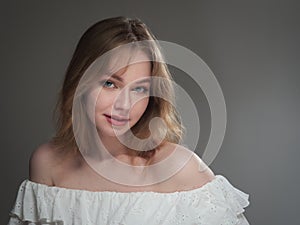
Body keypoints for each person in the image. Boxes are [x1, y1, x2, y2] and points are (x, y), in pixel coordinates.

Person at [8, 16, 250, 225]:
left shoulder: (180, 168)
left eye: (139, 89)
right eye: (110, 84)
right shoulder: (47, 164)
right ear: (80, 82)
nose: (124, 105)